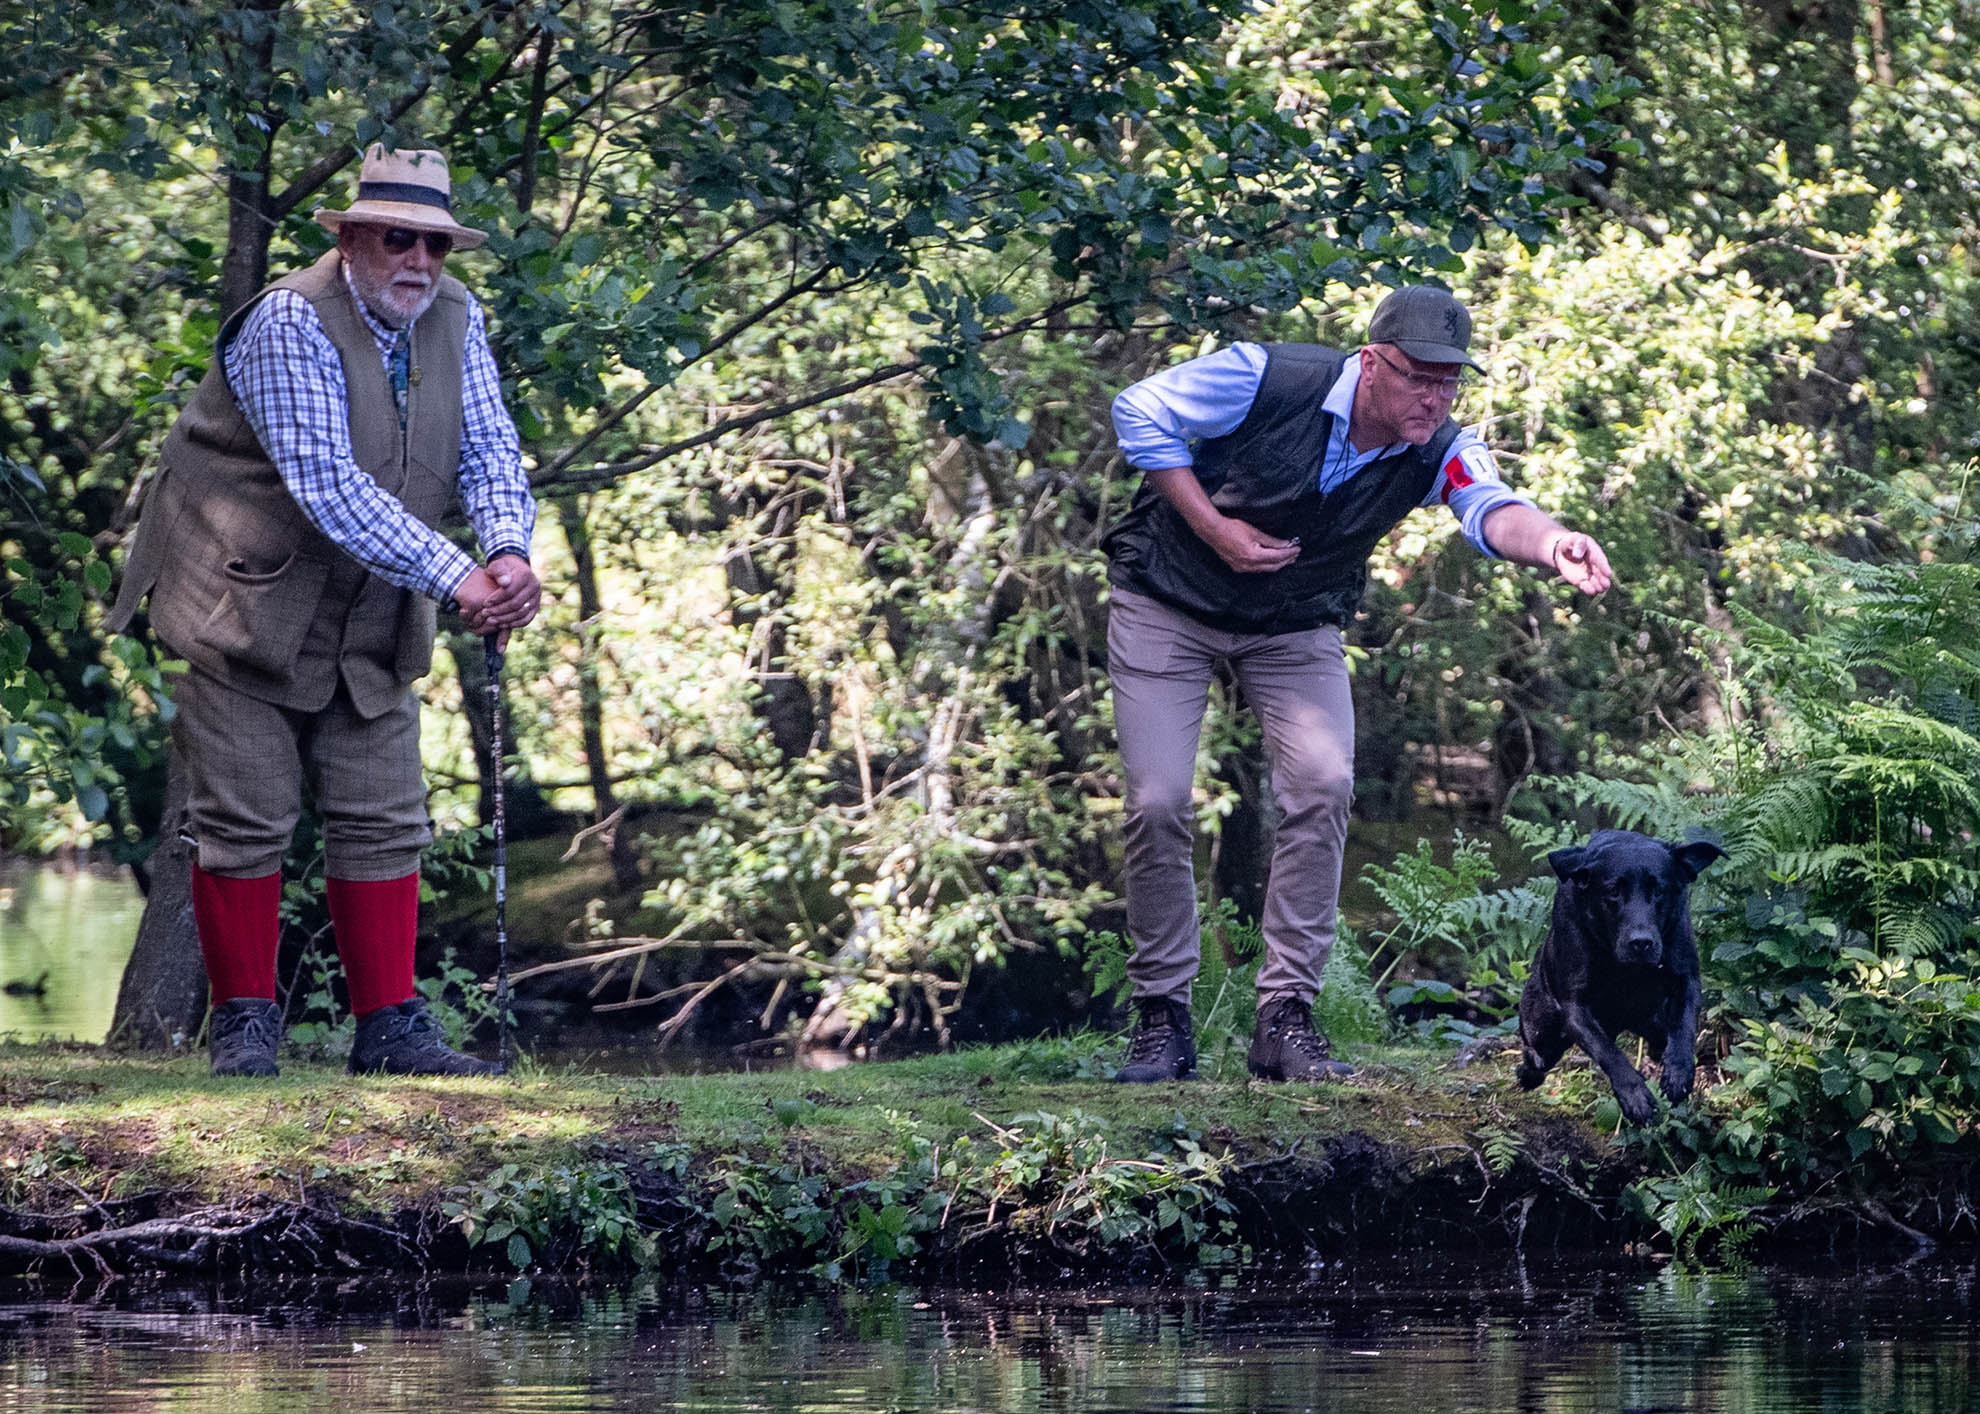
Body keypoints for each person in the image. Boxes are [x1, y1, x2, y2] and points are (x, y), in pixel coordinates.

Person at [1102, 285, 1612, 1083]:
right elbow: (1139, 408)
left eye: (1450, 383)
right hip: (1168, 598)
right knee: (1161, 799)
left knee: (1325, 784)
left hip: (1295, 618)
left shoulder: (1437, 441)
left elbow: (1489, 507)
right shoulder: (1268, 377)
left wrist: (1552, 544)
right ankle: (1162, 1018)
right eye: (1418, 378)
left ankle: (1285, 1019)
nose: (1433, 397)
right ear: (1372, 363)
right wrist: (1213, 524)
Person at [108, 144, 542, 1077]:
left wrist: (507, 552)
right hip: (238, 599)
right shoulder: (288, 322)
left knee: (385, 814)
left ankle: (389, 1031)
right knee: (244, 816)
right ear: (349, 238)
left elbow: (493, 451)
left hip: (371, 607)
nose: (419, 262)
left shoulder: (456, 320)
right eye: (398, 239)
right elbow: (328, 489)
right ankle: (245, 1032)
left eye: (437, 244)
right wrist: (459, 578)